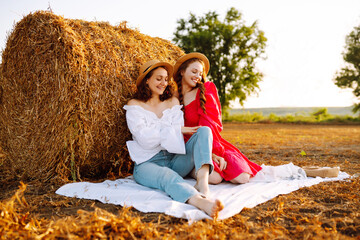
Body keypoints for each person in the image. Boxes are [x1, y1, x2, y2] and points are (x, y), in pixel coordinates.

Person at [123, 59, 224, 219]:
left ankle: (202, 183)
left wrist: (174, 132)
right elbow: (145, 140)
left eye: (165, 79)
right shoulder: (135, 105)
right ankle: (200, 202)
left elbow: (175, 139)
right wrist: (175, 130)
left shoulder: (172, 103)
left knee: (204, 131)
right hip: (147, 164)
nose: (163, 83)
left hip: (174, 160)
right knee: (167, 176)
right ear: (147, 80)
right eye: (158, 78)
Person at [173, 53, 263, 185]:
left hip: (210, 142)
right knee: (215, 178)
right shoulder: (172, 97)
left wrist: (212, 153)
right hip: (187, 149)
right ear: (182, 72)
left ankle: (206, 164)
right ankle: (191, 169)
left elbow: (210, 125)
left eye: (200, 73)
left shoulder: (206, 89)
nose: (197, 76)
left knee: (242, 177)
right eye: (194, 71)